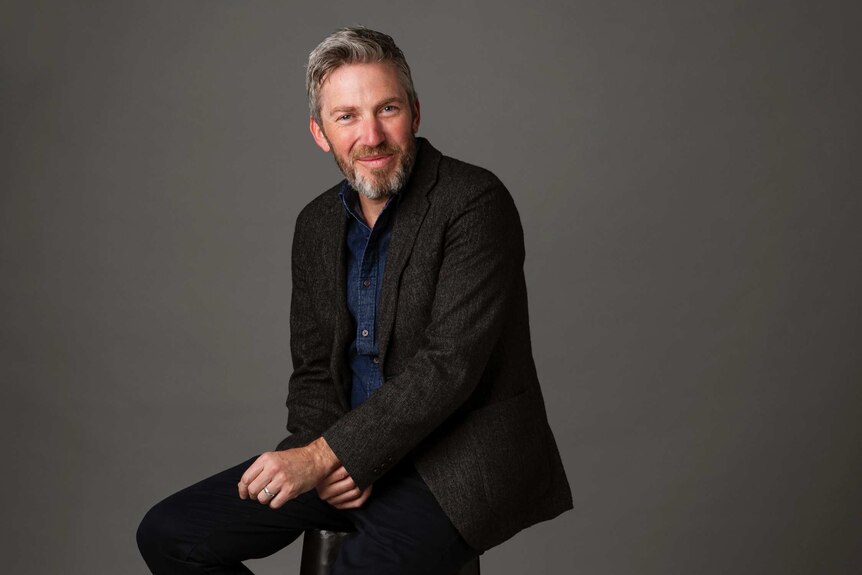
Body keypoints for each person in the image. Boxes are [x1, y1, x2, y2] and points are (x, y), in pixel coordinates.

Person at [137, 26, 572, 575]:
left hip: (456, 461)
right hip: (345, 452)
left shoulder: (474, 201)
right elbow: (316, 371)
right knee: (171, 534)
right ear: (320, 132)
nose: (372, 135)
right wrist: (317, 455)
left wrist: (332, 456)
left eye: (386, 109)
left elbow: (449, 367)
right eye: (347, 117)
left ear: (414, 112)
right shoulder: (316, 225)